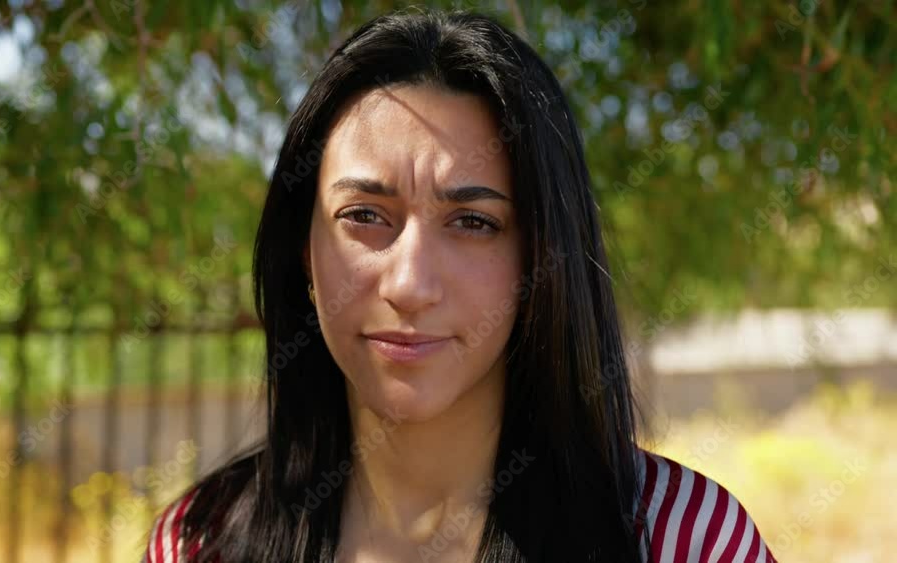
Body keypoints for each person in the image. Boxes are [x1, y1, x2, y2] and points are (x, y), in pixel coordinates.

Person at [143, 8, 777, 563]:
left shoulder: (683, 540)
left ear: (540, 261)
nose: (410, 284)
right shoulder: (200, 542)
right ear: (303, 252)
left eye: (474, 222)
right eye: (364, 215)